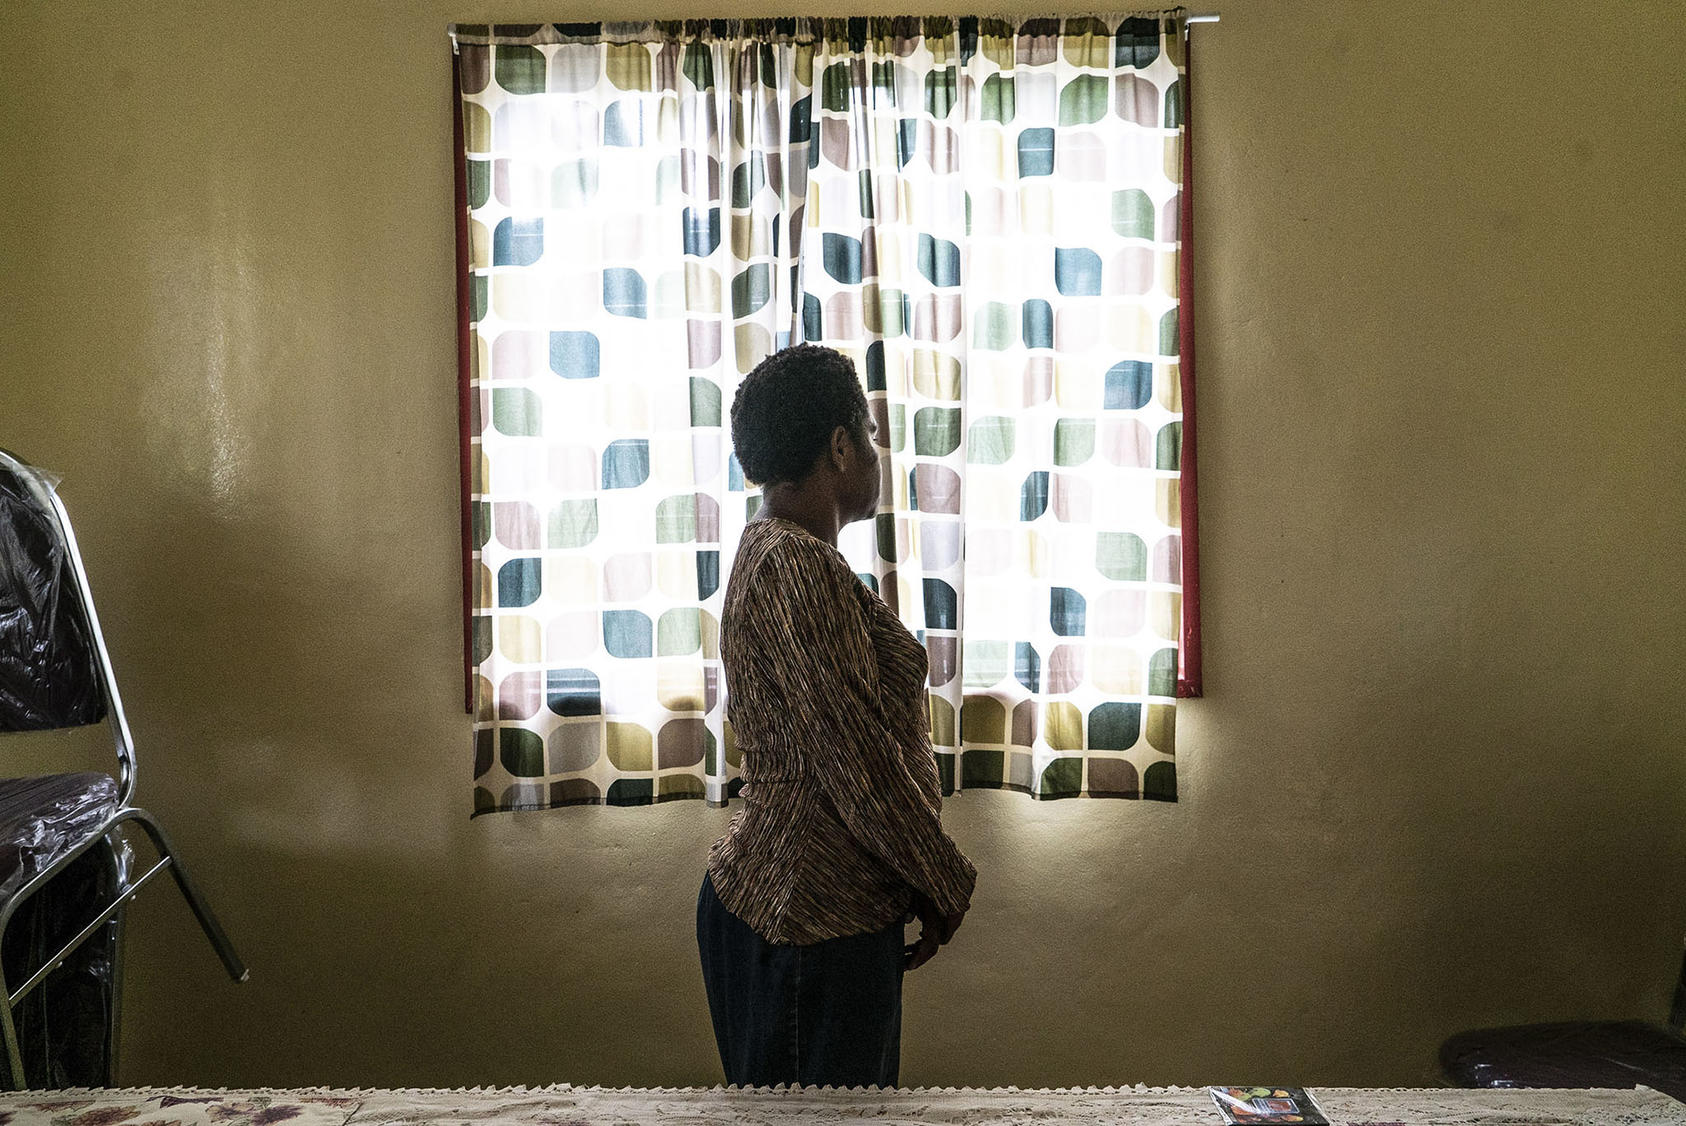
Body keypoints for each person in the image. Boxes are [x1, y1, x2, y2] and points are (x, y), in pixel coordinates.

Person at [697, 343, 977, 1089]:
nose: (879, 452)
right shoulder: (795, 564)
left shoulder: (778, 551)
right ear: (842, 446)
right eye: (872, 435)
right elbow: (855, 761)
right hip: (807, 924)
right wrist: (943, 881)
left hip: (807, 913)